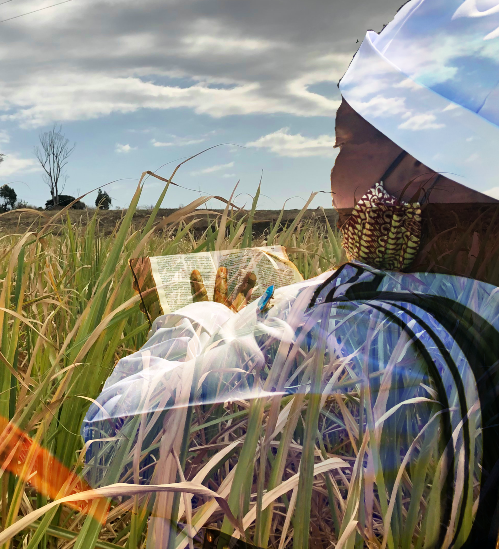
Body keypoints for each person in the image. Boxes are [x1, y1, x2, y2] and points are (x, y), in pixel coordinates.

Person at [81, 2, 499, 547]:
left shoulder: (358, 349)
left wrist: (204, 315)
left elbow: (110, 446)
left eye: (345, 145)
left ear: (418, 168)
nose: (332, 174)